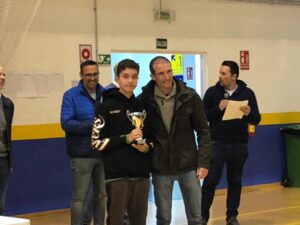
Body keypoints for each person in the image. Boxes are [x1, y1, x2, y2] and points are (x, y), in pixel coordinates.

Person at [138, 56, 211, 225]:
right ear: (152, 76)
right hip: (160, 167)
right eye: (161, 73)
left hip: (189, 165)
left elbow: (203, 131)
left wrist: (204, 162)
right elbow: (143, 135)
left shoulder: (190, 96)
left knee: (196, 217)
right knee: (163, 218)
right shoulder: (144, 100)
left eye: (169, 71)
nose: (166, 77)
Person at [91, 59, 151, 225]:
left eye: (134, 76)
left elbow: (151, 139)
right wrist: (126, 138)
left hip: (141, 174)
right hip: (117, 175)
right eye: (125, 76)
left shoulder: (142, 106)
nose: (130, 81)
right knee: (116, 221)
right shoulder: (105, 106)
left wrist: (145, 148)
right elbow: (96, 143)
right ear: (117, 78)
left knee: (139, 221)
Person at [201, 60, 261, 225]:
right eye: (220, 72)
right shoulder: (212, 92)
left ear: (234, 76)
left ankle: (232, 216)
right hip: (217, 144)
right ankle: (202, 216)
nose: (220, 76)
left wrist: (249, 113)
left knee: (235, 181)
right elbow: (203, 116)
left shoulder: (247, 93)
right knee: (210, 180)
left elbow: (257, 119)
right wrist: (218, 108)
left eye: (224, 73)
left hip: (238, 145)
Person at [60, 60, 107, 225]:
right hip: (81, 155)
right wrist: (92, 126)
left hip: (103, 153)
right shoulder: (70, 95)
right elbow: (66, 123)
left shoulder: (106, 93)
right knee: (80, 197)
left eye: (95, 74)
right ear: (81, 75)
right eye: (88, 75)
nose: (92, 78)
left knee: (102, 196)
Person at [0, 65, 14, 215]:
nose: (3, 77)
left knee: (1, 204)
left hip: (3, 159)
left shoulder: (8, 104)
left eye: (4, 74)